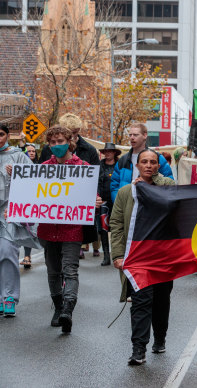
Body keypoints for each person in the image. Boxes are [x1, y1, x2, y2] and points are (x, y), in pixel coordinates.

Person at [111, 149, 176, 365]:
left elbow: (174, 194)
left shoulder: (165, 186)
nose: (148, 165)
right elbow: (117, 224)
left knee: (161, 300)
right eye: (144, 162)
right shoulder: (125, 192)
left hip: (162, 256)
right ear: (137, 165)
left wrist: (152, 182)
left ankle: (160, 337)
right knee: (140, 301)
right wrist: (118, 254)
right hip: (137, 257)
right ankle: (138, 348)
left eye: (153, 163)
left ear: (158, 166)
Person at [38, 126, 102, 333]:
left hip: (72, 228)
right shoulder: (42, 169)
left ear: (69, 142)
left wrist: (95, 201)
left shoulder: (83, 167)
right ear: (49, 145)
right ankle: (57, 309)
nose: (57, 145)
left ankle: (67, 310)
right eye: (53, 142)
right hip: (48, 228)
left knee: (70, 270)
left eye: (60, 141)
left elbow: (92, 194)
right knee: (53, 272)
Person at [0, 125, 38, 317]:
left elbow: (34, 182)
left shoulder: (19, 156)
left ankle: (9, 298)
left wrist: (17, 173)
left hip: (9, 212)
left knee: (7, 251)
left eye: (1, 134)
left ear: (7, 136)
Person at [110, 123, 174, 203]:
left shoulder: (157, 158)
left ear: (145, 135)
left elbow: (169, 183)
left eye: (135, 135)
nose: (132, 138)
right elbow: (114, 185)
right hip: (127, 206)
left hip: (150, 205)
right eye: (130, 135)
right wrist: (119, 203)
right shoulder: (123, 160)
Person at [97, 143, 121, 266]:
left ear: (114, 153)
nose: (107, 153)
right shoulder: (100, 165)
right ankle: (106, 255)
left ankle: (118, 254)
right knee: (103, 229)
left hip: (117, 201)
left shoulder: (120, 165)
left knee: (118, 228)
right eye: (105, 151)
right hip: (103, 202)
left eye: (110, 151)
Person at [18, 141, 39, 269]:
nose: (31, 153)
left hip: (33, 202)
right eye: (28, 151)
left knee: (29, 229)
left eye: (33, 151)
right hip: (20, 201)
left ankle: (27, 256)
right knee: (18, 228)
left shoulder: (40, 166)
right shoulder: (18, 166)